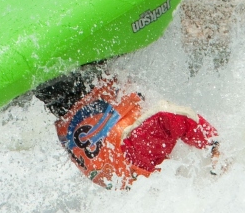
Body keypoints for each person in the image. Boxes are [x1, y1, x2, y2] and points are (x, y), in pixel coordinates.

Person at [34, 67, 221, 190]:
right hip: (66, 114)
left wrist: (214, 144)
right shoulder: (127, 186)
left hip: (83, 86)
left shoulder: (145, 157)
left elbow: (168, 115)